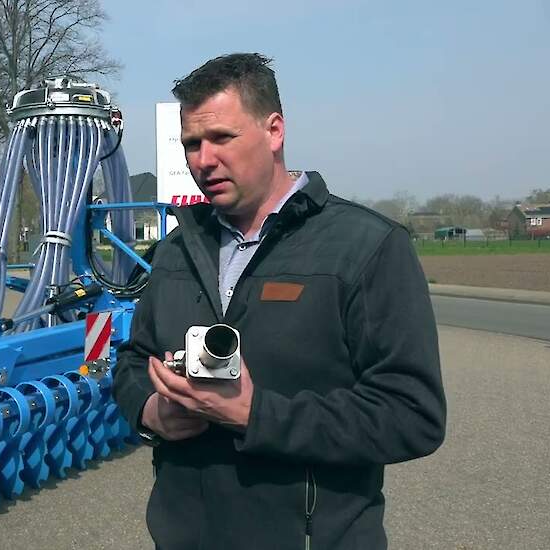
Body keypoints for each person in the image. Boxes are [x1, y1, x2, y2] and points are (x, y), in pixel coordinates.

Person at [112, 53, 447, 550]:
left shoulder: (365, 247)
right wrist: (150, 411)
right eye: (192, 144)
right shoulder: (176, 249)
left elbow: (412, 415)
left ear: (274, 131)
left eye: (222, 137)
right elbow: (133, 361)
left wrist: (256, 414)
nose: (203, 160)